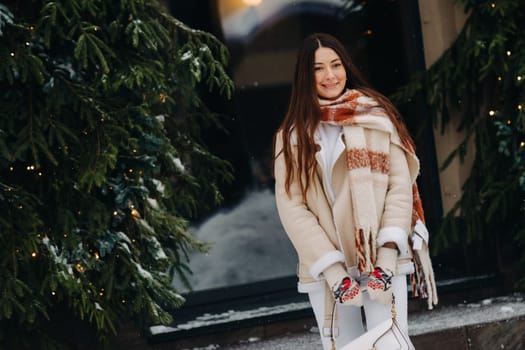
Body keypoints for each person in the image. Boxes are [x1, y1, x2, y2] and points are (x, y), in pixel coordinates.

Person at [272, 33, 437, 349]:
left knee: (389, 346)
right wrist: (334, 273)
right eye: (318, 68)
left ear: (346, 66)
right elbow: (292, 206)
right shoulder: (292, 136)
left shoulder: (376, 118)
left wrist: (386, 261)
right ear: (305, 76)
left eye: (336, 64)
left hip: (379, 260)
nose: (330, 75)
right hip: (327, 269)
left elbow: (398, 188)